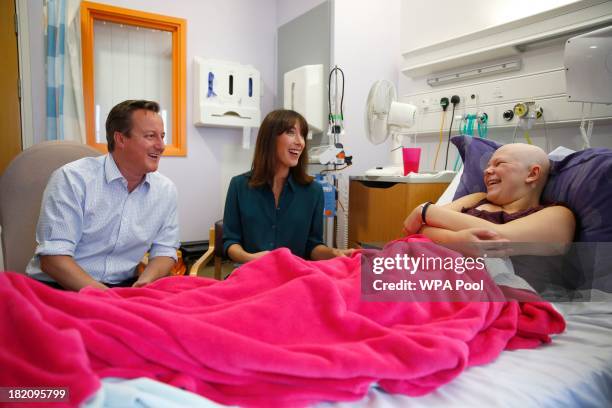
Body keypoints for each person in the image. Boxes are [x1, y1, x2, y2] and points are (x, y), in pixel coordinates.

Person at [26, 100, 180, 291]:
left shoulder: (166, 190)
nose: (161, 146)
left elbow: (165, 250)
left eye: (162, 136)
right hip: (60, 286)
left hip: (122, 288)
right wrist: (105, 298)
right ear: (121, 139)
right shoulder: (72, 179)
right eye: (150, 136)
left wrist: (145, 283)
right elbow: (53, 258)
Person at [223, 109, 354, 263]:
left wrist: (334, 253)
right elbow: (230, 242)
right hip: (251, 273)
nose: (300, 142)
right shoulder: (239, 186)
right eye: (291, 132)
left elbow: (312, 246)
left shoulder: (314, 191)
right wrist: (249, 258)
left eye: (303, 135)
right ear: (270, 139)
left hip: (294, 277)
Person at [403, 143, 575, 254]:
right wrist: (455, 240)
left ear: (532, 173)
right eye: (487, 166)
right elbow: (415, 229)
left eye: (499, 164)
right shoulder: (477, 198)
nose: (487, 171)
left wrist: (425, 210)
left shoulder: (559, 215)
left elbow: (497, 239)